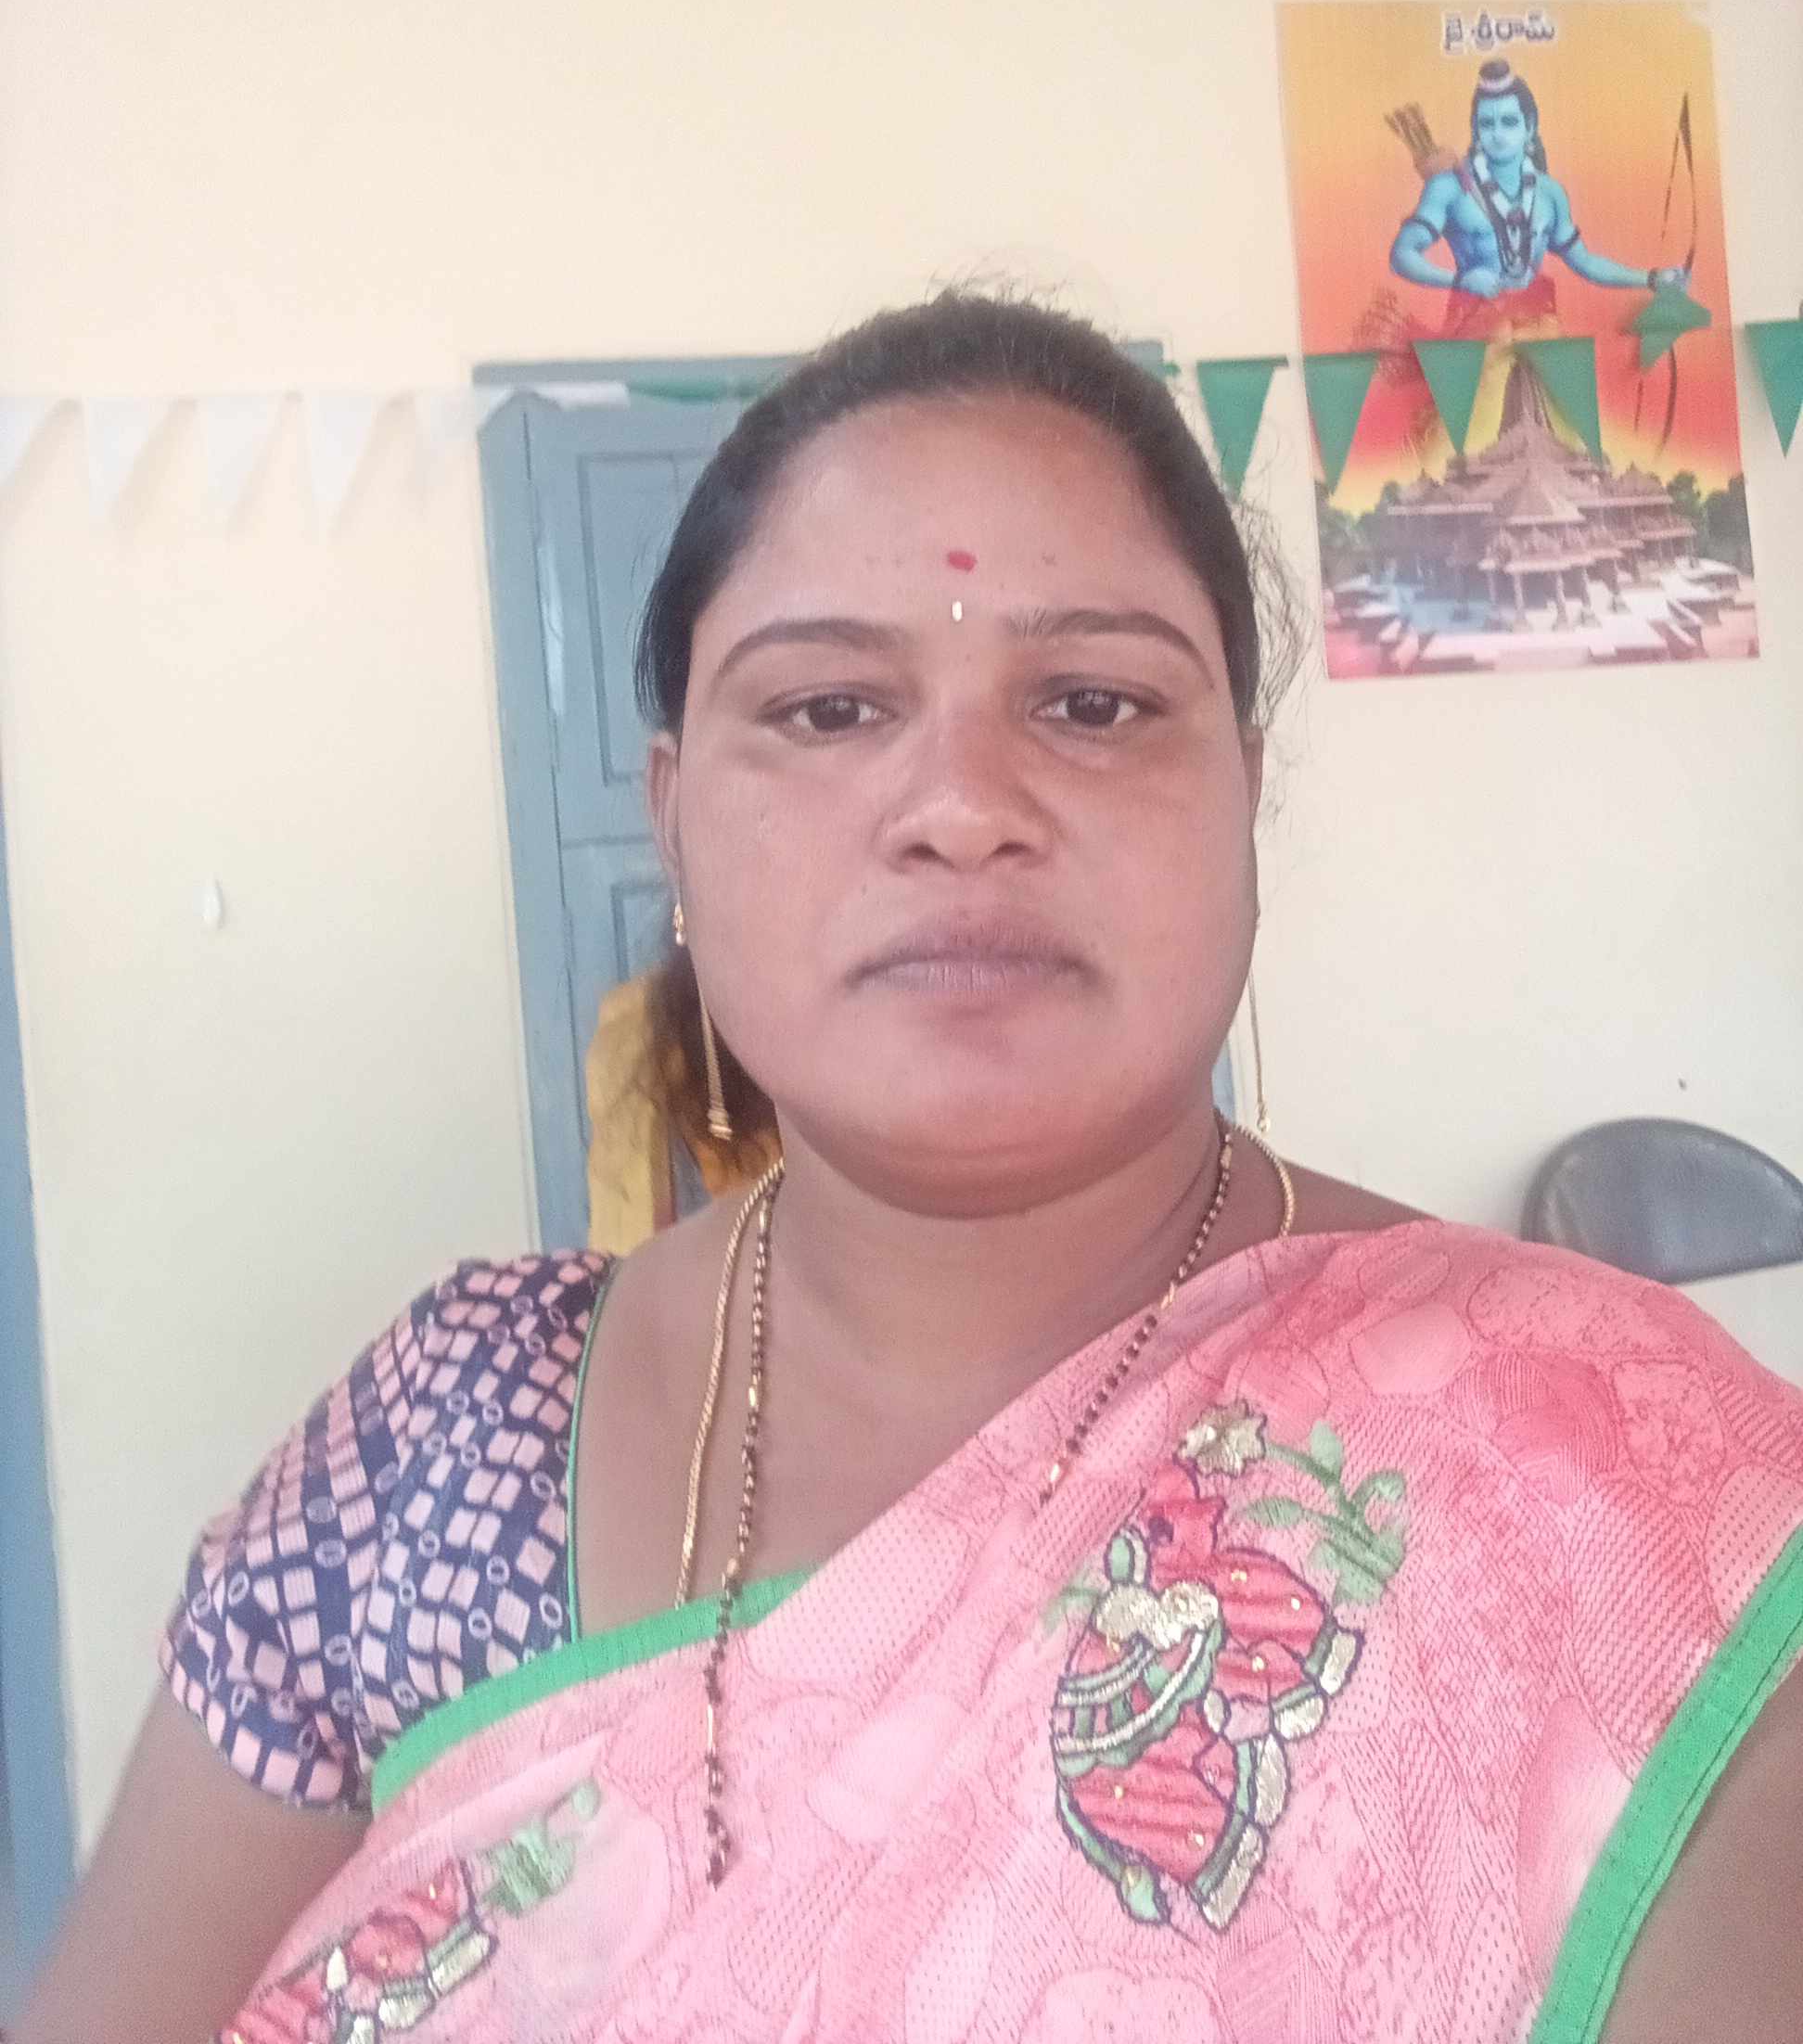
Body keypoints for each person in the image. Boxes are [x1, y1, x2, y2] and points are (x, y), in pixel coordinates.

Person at [19, 294, 1803, 2044]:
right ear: (672, 817)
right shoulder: (430, 1451)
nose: (959, 805)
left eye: (1092, 701)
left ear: (1239, 796)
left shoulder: (1591, 1468)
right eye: (824, 709)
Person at [1390, 57, 1691, 331]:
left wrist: (1651, 279)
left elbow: (1585, 263)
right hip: (1474, 328)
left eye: (1509, 122)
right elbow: (1402, 255)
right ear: (1476, 129)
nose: (1497, 134)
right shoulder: (1450, 188)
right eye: (1487, 123)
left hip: (1538, 325)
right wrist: (1459, 280)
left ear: (1530, 126)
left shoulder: (1549, 193)